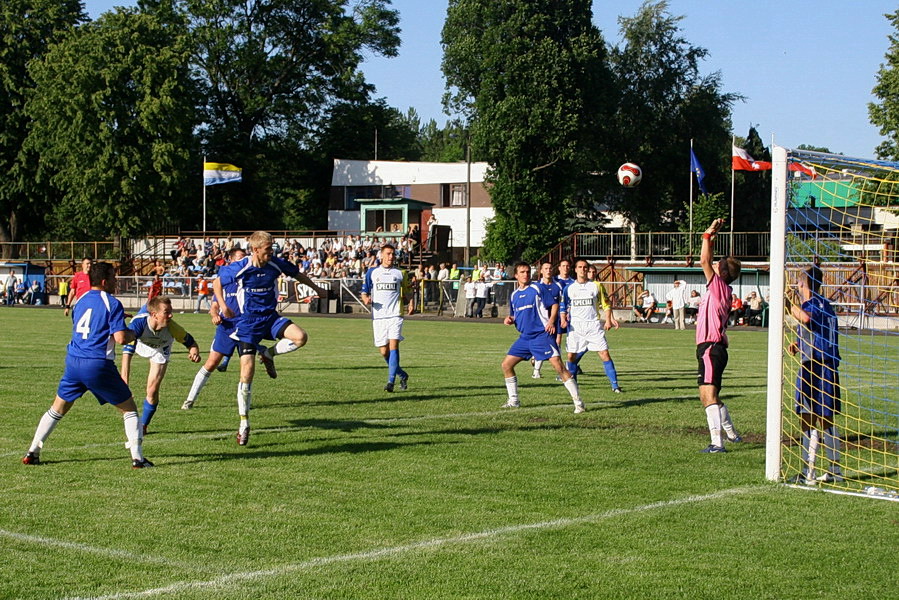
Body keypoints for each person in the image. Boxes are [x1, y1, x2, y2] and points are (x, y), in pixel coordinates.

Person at [22, 262, 152, 468]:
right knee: (129, 409)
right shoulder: (112, 302)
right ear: (103, 281)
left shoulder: (80, 300)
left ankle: (32, 452)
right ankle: (138, 459)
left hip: (74, 361)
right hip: (97, 363)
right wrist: (135, 330)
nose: (115, 281)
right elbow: (120, 338)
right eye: (113, 277)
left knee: (57, 408)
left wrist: (116, 321)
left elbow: (90, 324)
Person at [214, 231, 328, 445]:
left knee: (300, 337)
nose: (272, 252)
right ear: (255, 250)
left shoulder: (275, 264)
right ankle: (244, 424)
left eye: (272, 247)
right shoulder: (241, 267)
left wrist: (317, 288)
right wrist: (222, 305)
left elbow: (296, 274)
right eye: (268, 249)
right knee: (246, 374)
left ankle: (268, 353)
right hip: (247, 323)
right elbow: (216, 283)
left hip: (270, 318)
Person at [502, 262, 585, 413]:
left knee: (559, 367)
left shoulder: (537, 288)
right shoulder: (514, 295)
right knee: (506, 365)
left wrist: (552, 321)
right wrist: (510, 319)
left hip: (541, 336)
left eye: (527, 272)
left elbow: (554, 304)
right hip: (525, 338)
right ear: (516, 275)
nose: (525, 274)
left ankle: (578, 403)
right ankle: (514, 401)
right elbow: (515, 314)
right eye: (522, 272)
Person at [788, 265, 843, 483]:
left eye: (798, 283)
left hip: (814, 366)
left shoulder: (811, 303)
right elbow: (815, 328)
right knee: (826, 418)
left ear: (803, 284)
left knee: (807, 417)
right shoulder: (827, 304)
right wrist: (798, 343)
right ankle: (834, 471)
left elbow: (807, 318)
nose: (796, 287)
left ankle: (807, 473)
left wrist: (786, 305)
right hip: (827, 364)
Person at [120, 296, 201, 434]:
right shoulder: (138, 325)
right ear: (154, 315)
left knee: (152, 391)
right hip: (141, 343)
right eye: (166, 312)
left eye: (171, 311)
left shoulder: (173, 328)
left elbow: (191, 343)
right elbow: (127, 355)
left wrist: (194, 352)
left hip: (160, 349)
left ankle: (143, 426)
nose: (171, 315)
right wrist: (124, 384)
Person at [696, 219, 743, 453]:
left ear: (722, 272)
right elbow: (710, 260)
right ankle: (732, 434)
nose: (714, 265)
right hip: (713, 349)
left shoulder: (719, 286)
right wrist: (713, 236)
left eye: (719, 264)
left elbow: (704, 260)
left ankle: (717, 443)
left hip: (710, 348)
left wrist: (706, 236)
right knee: (709, 395)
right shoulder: (721, 287)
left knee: (708, 395)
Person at [182, 247, 249, 409]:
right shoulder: (224, 282)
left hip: (245, 326)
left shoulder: (248, 280)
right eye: (239, 258)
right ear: (231, 261)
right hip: (226, 327)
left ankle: (244, 404)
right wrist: (214, 315)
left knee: (246, 367)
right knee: (211, 363)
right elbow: (214, 306)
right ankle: (190, 400)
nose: (243, 262)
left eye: (244, 258)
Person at [560, 258, 622, 393]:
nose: (583, 270)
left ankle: (615, 386)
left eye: (585, 267)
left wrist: (608, 320)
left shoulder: (596, 286)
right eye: (580, 267)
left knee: (604, 353)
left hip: (593, 325)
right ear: (575, 270)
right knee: (571, 356)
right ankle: (574, 385)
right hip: (576, 327)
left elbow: (606, 304)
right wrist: (563, 319)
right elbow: (563, 306)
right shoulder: (569, 288)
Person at [361, 244, 411, 392]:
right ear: (381, 255)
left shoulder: (400, 273)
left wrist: (411, 302)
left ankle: (390, 382)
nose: (391, 257)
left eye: (393, 254)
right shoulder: (372, 272)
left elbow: (408, 291)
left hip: (395, 314)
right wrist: (366, 299)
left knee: (394, 345)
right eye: (388, 254)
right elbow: (364, 291)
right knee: (384, 351)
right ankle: (402, 374)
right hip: (379, 316)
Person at [531, 261, 561, 379]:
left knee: (556, 344)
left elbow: (561, 303)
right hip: (540, 322)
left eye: (550, 268)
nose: (548, 270)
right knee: (549, 346)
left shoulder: (557, 286)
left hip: (555, 320)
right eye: (546, 268)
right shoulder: (537, 287)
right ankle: (537, 370)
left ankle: (537, 370)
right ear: (541, 271)